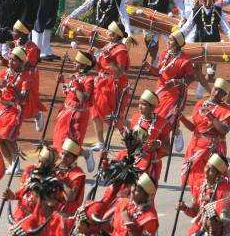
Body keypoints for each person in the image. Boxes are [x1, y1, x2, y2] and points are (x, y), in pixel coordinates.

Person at [180, 0, 230, 94]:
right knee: (197, 70)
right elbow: (187, 27)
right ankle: (197, 89)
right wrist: (178, 36)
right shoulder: (196, 11)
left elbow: (227, 29)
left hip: (214, 45)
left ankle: (202, 87)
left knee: (211, 74)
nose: (206, 0)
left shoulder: (218, 11)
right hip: (199, 44)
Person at [144, 30, 195, 153]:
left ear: (177, 44)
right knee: (156, 115)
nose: (167, 41)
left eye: (171, 40)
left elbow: (192, 78)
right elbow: (160, 73)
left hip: (176, 93)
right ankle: (155, 141)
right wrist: (149, 67)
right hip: (161, 90)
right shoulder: (164, 54)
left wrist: (176, 82)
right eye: (168, 39)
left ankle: (176, 132)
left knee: (168, 117)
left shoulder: (185, 60)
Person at [180, 78, 230, 188]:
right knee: (193, 176)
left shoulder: (225, 109)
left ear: (224, 94)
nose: (217, 93)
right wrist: (181, 118)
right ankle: (197, 199)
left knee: (211, 178)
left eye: (221, 92)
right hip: (196, 145)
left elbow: (224, 129)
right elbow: (194, 128)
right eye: (216, 89)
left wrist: (211, 117)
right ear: (212, 88)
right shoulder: (200, 104)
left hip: (213, 148)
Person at [0, 20, 45, 131]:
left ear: (23, 33)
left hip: (29, 78)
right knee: (15, 101)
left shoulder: (32, 48)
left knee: (26, 103)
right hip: (15, 75)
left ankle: (37, 114)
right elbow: (11, 64)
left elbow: (24, 65)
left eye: (15, 31)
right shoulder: (15, 44)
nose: (12, 33)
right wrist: (1, 58)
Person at [0, 47, 33, 174]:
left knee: (8, 136)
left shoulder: (26, 77)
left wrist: (8, 85)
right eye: (10, 59)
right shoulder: (4, 73)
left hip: (15, 109)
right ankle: (11, 164)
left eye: (14, 60)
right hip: (2, 108)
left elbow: (23, 97)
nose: (10, 62)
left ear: (21, 62)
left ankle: (16, 163)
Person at [90, 21, 131, 151]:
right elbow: (99, 67)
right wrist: (92, 58)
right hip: (100, 84)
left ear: (116, 35)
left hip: (113, 86)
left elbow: (119, 71)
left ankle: (132, 136)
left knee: (113, 116)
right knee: (95, 114)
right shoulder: (108, 45)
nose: (107, 33)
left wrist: (108, 58)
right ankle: (101, 142)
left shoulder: (121, 50)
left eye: (110, 32)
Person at [53, 50, 96, 172]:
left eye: (77, 62)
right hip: (66, 113)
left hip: (79, 116)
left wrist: (75, 83)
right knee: (60, 139)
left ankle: (86, 154)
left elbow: (83, 98)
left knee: (72, 143)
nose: (74, 64)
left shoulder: (89, 80)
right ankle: (63, 165)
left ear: (83, 65)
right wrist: (63, 83)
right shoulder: (75, 76)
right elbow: (70, 94)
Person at [178, 153, 230, 236]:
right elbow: (196, 212)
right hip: (199, 228)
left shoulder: (227, 190)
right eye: (206, 166)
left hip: (217, 233)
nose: (206, 171)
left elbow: (224, 222)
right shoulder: (199, 184)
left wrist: (210, 208)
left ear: (219, 175)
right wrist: (185, 208)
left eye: (211, 170)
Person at [2, 146, 57, 221]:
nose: (40, 166)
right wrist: (12, 196)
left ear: (51, 166)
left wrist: (39, 197)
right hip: (18, 216)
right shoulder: (29, 169)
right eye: (39, 161)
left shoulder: (53, 182)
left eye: (44, 164)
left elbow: (50, 212)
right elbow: (22, 193)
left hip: (35, 222)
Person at [126, 89, 170, 181]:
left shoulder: (163, 123)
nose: (140, 107)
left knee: (145, 193)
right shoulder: (135, 118)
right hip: (134, 160)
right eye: (139, 104)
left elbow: (167, 147)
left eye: (144, 105)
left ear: (152, 107)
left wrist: (158, 144)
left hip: (152, 164)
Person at [54, 139, 86, 217]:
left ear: (74, 159)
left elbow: (70, 197)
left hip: (66, 215)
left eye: (67, 156)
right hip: (52, 208)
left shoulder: (77, 174)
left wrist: (62, 182)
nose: (63, 157)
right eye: (62, 153)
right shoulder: (56, 165)